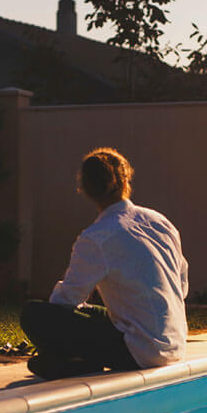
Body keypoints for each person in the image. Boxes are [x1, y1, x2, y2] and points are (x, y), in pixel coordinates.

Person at [21, 147, 188, 380]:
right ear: (126, 180)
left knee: (35, 314)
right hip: (175, 343)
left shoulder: (97, 236)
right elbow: (182, 286)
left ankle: (76, 362)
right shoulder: (160, 222)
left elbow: (67, 299)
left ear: (85, 189)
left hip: (139, 352)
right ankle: (74, 360)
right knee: (94, 312)